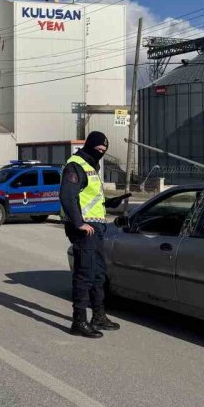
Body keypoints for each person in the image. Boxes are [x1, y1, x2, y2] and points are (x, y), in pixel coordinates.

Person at [59, 131, 130, 338]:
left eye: (104, 151)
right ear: (90, 146)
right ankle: (78, 321)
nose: (101, 153)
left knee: (98, 274)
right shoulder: (76, 165)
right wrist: (79, 222)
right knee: (85, 274)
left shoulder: (91, 166)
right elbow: (67, 196)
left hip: (96, 228)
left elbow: (87, 198)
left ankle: (98, 316)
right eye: (99, 149)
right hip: (85, 229)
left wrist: (109, 203)